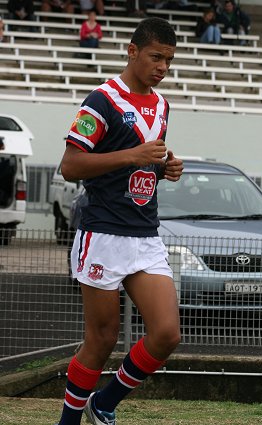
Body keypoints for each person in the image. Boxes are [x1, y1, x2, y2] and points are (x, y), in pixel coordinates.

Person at [54, 16, 183, 425]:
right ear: (132, 51)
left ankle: (104, 403)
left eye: (169, 60)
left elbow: (144, 160)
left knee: (167, 334)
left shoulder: (162, 105)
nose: (162, 67)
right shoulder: (102, 100)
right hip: (103, 233)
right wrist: (134, 156)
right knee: (102, 339)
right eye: (156, 57)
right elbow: (70, 166)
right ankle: (68, 422)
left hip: (145, 234)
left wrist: (165, 167)